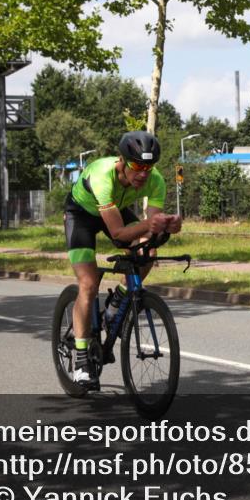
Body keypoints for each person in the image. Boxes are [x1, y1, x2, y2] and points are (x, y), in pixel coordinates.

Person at [64, 131, 182, 388]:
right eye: (137, 166)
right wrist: (151, 225)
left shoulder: (156, 181)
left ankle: (118, 299)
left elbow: (150, 231)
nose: (143, 173)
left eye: (149, 168)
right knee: (88, 284)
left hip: (115, 211)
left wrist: (166, 227)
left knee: (149, 252)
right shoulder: (102, 176)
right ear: (122, 161)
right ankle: (82, 358)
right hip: (82, 215)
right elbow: (118, 233)